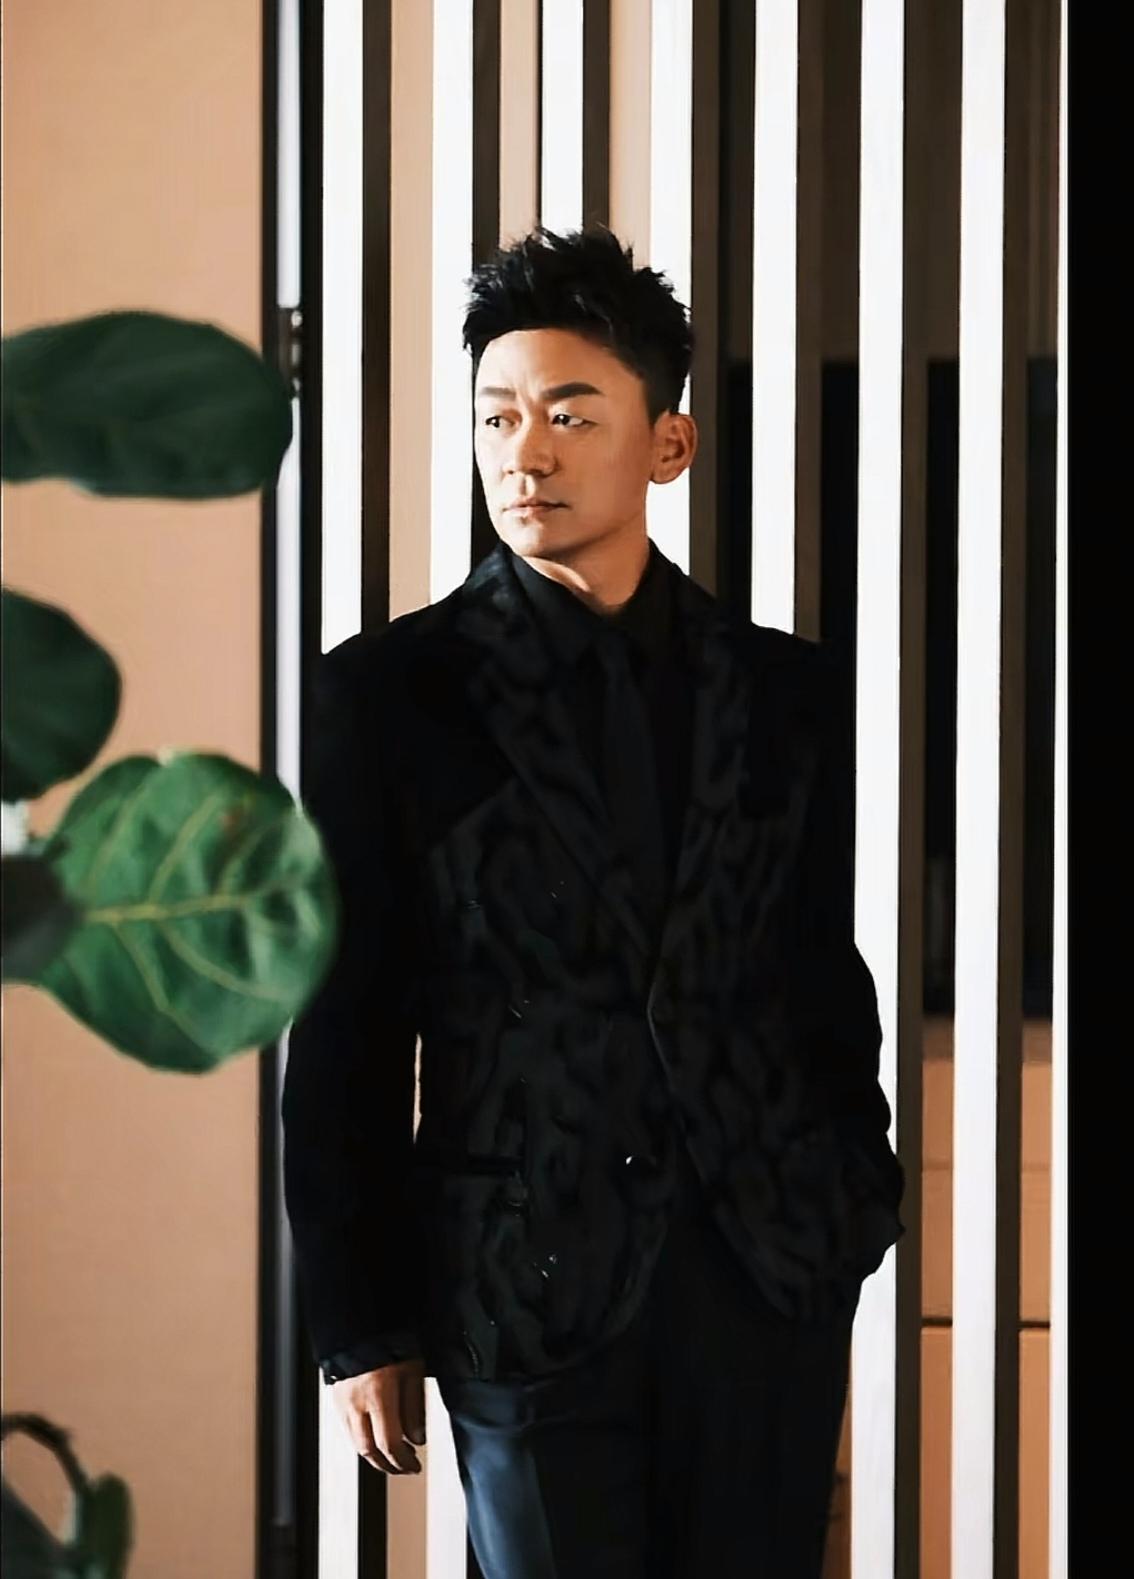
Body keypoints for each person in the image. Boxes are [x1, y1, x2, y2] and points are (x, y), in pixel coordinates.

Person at [282, 225, 905, 1578]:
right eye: (496, 417)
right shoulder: (388, 697)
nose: (526, 454)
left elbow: (818, 976)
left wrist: (852, 1197)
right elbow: (342, 1022)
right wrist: (357, 1320)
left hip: (766, 1275)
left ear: (665, 445)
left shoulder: (787, 693)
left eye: (570, 415)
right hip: (521, 1279)